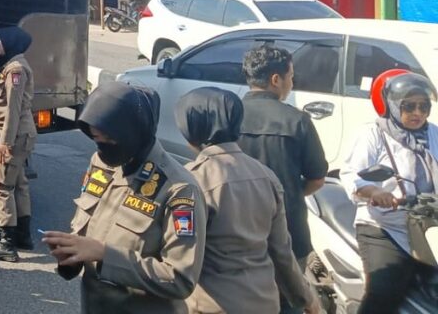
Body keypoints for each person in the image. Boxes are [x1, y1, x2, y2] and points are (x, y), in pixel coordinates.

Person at [42, 81, 206, 313]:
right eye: (97, 139)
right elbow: (87, 229)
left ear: (133, 132)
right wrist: (71, 253)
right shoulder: (102, 163)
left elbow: (180, 278)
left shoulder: (178, 188)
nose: (102, 149)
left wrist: (105, 254)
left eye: (109, 140)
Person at [175, 88, 319, 314]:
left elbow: (181, 255)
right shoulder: (267, 176)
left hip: (212, 305)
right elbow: (281, 251)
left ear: (191, 128)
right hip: (263, 302)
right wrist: (306, 298)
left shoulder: (190, 181)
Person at [237, 43, 328, 313]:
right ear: (276, 80)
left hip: (237, 228)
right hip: (288, 230)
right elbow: (317, 178)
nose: (291, 82)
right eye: (290, 76)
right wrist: (289, 191)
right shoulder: (297, 120)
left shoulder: (229, 116)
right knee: (288, 300)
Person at [341, 71, 438, 314]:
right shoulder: (373, 133)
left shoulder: (433, 133)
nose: (418, 113)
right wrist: (374, 191)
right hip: (386, 228)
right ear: (392, 106)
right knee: (384, 290)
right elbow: (351, 174)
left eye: (423, 106)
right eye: (409, 106)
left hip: (428, 226)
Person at [0, 26, 37, 263]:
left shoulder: (15, 70)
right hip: (22, 134)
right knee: (20, 182)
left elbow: (12, 109)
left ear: (11, 43)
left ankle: (6, 243)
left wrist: (5, 142)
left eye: (1, 40)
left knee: (1, 184)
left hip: (14, 135)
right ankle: (23, 235)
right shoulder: (16, 66)